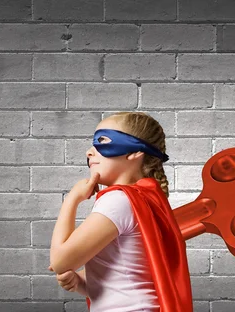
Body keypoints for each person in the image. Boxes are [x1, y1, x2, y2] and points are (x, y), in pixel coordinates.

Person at [48, 112, 193, 312]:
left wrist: (72, 199)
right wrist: (81, 282)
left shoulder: (118, 200)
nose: (89, 152)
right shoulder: (146, 197)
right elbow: (130, 276)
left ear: (134, 152)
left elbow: (60, 261)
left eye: (102, 141)